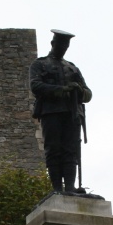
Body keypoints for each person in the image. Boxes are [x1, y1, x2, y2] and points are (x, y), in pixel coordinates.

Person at [29, 29, 93, 194]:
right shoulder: (40, 64)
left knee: (71, 150)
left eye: (65, 46)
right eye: (60, 44)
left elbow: (88, 94)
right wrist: (63, 89)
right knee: (53, 149)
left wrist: (78, 90)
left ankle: (70, 188)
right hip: (51, 112)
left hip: (72, 113)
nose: (63, 48)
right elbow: (36, 86)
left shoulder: (72, 68)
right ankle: (57, 188)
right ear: (52, 44)